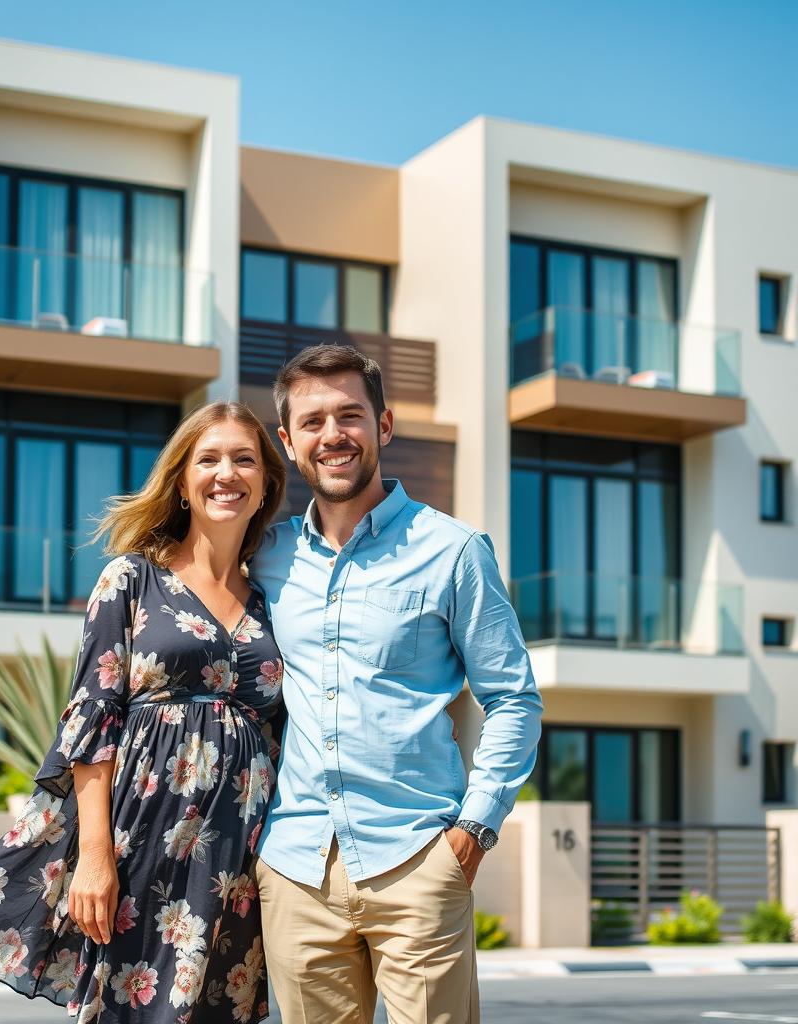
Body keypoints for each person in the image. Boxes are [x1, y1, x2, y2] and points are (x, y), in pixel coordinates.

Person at [0, 401, 288, 1024]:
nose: (226, 472)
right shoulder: (131, 579)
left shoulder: (272, 599)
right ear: (182, 481)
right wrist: (95, 855)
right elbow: (93, 719)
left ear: (265, 485)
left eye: (244, 459)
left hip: (241, 857)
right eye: (209, 458)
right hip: (143, 837)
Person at [248, 345, 544, 1024]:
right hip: (296, 870)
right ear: (289, 442)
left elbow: (513, 699)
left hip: (418, 860)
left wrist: (473, 830)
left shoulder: (455, 551)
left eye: (350, 415)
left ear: (383, 426)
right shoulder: (267, 555)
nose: (334, 435)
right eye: (314, 422)